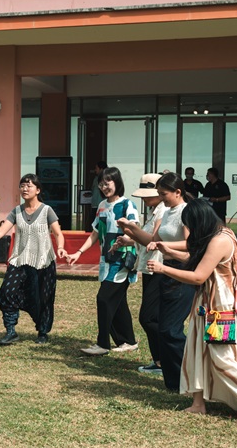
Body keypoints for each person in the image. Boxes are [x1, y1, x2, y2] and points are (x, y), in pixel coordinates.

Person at [146, 199, 237, 425]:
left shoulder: (220, 241)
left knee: (221, 359)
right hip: (208, 305)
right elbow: (196, 260)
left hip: (222, 309)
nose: (190, 231)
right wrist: (168, 250)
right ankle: (198, 404)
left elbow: (198, 275)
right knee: (197, 351)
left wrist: (163, 268)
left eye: (191, 225)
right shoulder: (219, 235)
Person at [118, 172, 194, 391]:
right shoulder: (168, 212)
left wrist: (165, 248)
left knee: (169, 328)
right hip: (165, 270)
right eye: (159, 194)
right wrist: (130, 229)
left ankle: (185, 377)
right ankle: (173, 381)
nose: (161, 198)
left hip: (179, 269)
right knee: (165, 328)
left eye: (163, 194)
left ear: (177, 192)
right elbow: (152, 241)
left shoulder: (186, 212)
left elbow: (190, 244)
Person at [0, 174, 66, 346]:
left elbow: (58, 233)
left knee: (43, 298)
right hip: (20, 260)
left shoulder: (47, 210)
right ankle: (11, 331)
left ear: (38, 190)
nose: (25, 189)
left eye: (29, 186)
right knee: (7, 291)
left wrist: (61, 247)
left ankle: (42, 331)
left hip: (43, 262)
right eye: (22, 186)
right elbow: (2, 231)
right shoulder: (16, 211)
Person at [65, 167, 140, 356]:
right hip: (106, 260)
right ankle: (128, 341)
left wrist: (125, 239)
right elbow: (96, 234)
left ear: (117, 182)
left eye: (108, 182)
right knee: (118, 301)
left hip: (122, 260)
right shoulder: (101, 206)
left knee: (104, 299)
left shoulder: (127, 205)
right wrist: (79, 252)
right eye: (101, 183)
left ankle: (103, 344)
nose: (104, 186)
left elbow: (136, 233)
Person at [119, 174, 164, 375]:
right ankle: (159, 360)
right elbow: (147, 240)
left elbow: (154, 240)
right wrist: (129, 239)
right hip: (149, 268)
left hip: (159, 268)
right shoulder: (155, 210)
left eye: (148, 195)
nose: (144, 199)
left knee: (149, 318)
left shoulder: (164, 211)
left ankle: (164, 360)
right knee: (153, 318)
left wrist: (131, 229)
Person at [87, 160, 108, 230]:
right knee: (93, 225)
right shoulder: (96, 178)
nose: (95, 170)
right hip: (95, 205)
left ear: (101, 169)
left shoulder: (107, 179)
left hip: (103, 206)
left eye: (96, 168)